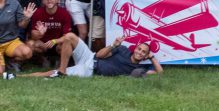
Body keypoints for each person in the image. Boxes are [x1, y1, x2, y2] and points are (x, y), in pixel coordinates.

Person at [25, 36, 162, 78]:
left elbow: (159, 73)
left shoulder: (137, 69)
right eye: (139, 48)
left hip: (90, 70)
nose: (140, 52)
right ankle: (62, 70)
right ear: (135, 47)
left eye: (144, 52)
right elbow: (99, 55)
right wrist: (113, 46)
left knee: (48, 74)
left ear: (145, 56)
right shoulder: (123, 49)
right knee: (70, 38)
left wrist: (152, 57)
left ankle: (20, 77)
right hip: (90, 57)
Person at [27, 0, 82, 76]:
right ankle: (43, 59)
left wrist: (55, 41)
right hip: (43, 43)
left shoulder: (64, 13)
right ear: (42, 1)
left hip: (57, 43)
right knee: (31, 44)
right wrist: (40, 33)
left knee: (65, 44)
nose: (49, 1)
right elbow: (33, 36)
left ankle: (60, 63)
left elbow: (67, 36)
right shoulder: (38, 13)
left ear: (57, 0)